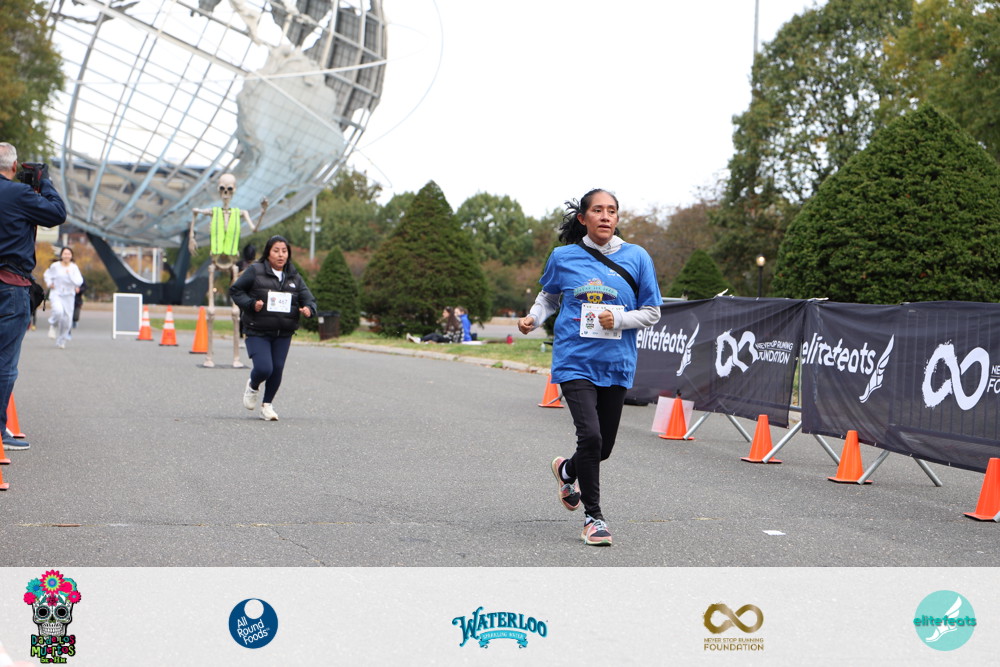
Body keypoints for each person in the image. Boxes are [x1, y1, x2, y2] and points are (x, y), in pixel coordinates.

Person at [518, 189, 661, 546]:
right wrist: (534, 318)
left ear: (617, 218)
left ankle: (567, 469)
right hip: (574, 361)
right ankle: (593, 518)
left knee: (603, 448)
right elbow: (549, 296)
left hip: (616, 364)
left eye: (611, 210)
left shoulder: (637, 257)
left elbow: (652, 312)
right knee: (591, 437)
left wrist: (620, 319)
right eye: (598, 210)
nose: (605, 216)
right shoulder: (563, 257)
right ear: (583, 218)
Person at [0, 143, 66, 451]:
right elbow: (57, 213)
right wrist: (45, 182)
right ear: (14, 168)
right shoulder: (18, 194)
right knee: (5, 363)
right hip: (10, 286)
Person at [229, 235, 316, 421]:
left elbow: (308, 298)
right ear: (268, 253)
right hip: (257, 330)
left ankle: (267, 405)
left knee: (277, 369)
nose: (280, 255)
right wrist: (251, 304)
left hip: (283, 332)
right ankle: (253, 385)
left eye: (284, 251)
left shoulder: (294, 276)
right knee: (264, 368)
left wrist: (309, 309)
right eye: (276, 251)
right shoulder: (255, 270)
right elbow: (236, 290)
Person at [43, 247, 83, 349]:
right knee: (58, 311)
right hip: (57, 293)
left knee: (67, 321)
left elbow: (79, 282)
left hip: (69, 295)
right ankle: (53, 325)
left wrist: (70, 275)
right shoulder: (55, 266)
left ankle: (61, 341)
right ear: (61, 255)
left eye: (69, 254)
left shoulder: (74, 268)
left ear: (71, 256)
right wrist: (49, 283)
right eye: (65, 254)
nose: (66, 256)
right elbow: (47, 275)